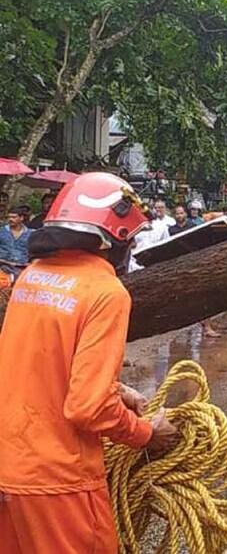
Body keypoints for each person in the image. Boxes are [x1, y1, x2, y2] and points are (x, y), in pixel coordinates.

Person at [0, 172, 179, 553]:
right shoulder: (105, 292)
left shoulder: (31, 278)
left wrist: (115, 387)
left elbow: (35, 367)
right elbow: (88, 407)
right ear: (113, 237)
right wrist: (146, 434)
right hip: (60, 480)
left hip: (8, 472)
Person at [0, 206, 33, 277]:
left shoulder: (31, 233)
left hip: (24, 268)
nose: (10, 219)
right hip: (3, 266)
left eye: (14, 217)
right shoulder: (1, 231)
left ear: (21, 218)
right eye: (9, 217)